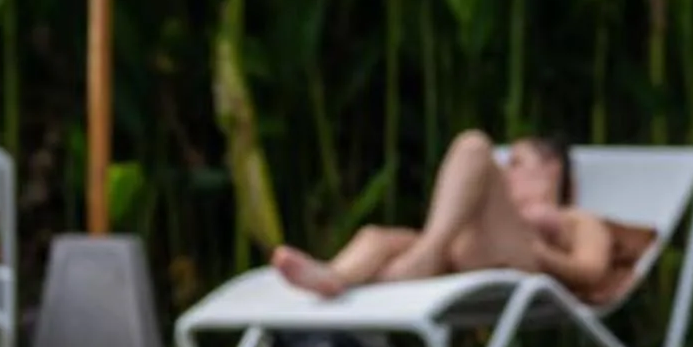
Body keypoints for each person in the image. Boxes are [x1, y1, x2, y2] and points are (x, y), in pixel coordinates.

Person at [271, 131, 644, 306]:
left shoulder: (576, 219)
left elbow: (593, 270)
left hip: (517, 262)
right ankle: (334, 277)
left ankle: (423, 256)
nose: (506, 172)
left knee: (473, 147)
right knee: (376, 237)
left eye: (516, 163)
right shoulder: (492, 207)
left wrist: (544, 253)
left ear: (550, 169)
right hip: (456, 255)